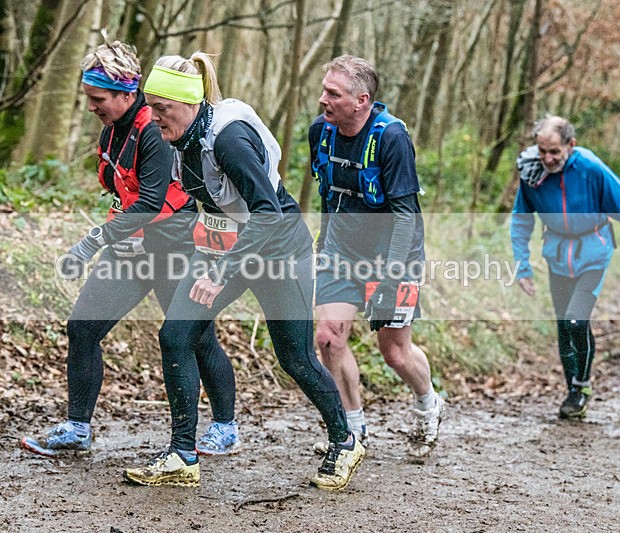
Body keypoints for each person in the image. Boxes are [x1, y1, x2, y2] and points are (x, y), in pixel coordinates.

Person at [122, 52, 365, 491]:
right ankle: (182, 455)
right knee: (176, 334)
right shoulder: (182, 137)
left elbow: (267, 212)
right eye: (151, 107)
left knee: (295, 358)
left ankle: (344, 441)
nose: (153, 118)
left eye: (162, 108)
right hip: (229, 244)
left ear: (189, 103)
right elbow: (209, 205)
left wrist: (219, 272)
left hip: (279, 248)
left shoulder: (228, 139)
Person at [20, 35, 239, 457]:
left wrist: (91, 243)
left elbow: (151, 202)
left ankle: (225, 427)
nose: (91, 107)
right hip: (130, 251)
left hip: (175, 250)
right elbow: (123, 193)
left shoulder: (153, 130)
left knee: (196, 338)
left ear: (125, 94)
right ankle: (77, 428)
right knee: (83, 328)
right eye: (87, 97)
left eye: (98, 98)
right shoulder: (113, 131)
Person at [309, 55, 444, 461]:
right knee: (328, 338)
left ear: (361, 100)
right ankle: (352, 432)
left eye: (333, 93)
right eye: (324, 90)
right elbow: (328, 194)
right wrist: (323, 243)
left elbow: (405, 215)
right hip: (340, 252)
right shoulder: (321, 132)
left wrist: (391, 276)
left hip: (393, 256)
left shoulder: (391, 138)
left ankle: (428, 404)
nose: (323, 99)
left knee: (395, 353)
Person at [511, 115, 620, 419]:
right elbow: (521, 221)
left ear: (571, 145)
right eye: (542, 151)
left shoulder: (591, 169)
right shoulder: (531, 172)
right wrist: (522, 267)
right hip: (557, 255)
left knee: (576, 320)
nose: (548, 159)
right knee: (565, 326)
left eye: (555, 152)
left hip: (593, 253)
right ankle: (571, 390)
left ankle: (582, 387)